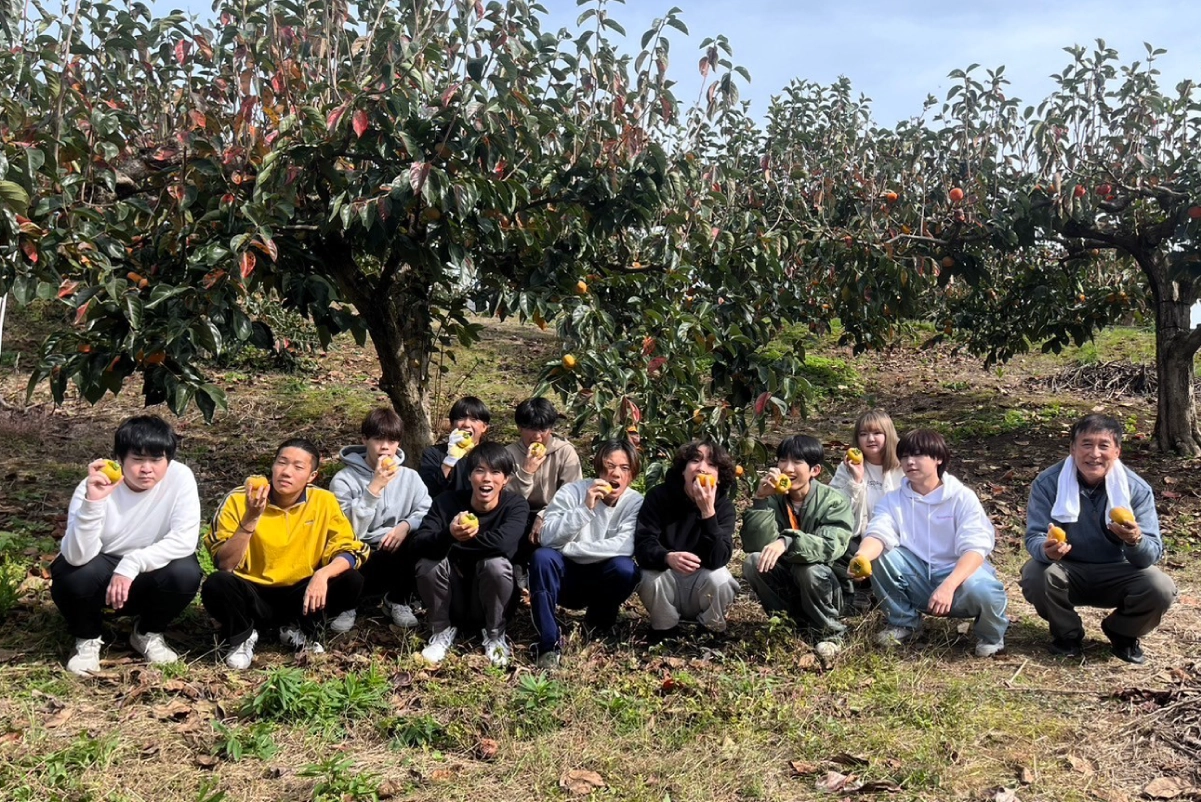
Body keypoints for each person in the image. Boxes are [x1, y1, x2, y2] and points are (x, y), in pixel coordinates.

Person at [1019, 414, 1177, 663]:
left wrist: (1134, 539)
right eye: (1086, 444)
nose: (1094, 454)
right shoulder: (1048, 483)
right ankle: (1067, 634)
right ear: (1072, 449)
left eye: (1103, 445)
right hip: (1068, 569)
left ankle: (1123, 632)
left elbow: (1151, 553)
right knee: (1035, 573)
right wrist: (1046, 550)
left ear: (1117, 451)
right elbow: (1035, 535)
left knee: (1160, 587)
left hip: (1118, 571)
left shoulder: (1136, 489)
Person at [52, 415, 202, 675]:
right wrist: (94, 502)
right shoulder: (94, 486)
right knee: (71, 574)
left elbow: (184, 539)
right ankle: (87, 638)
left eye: (156, 459)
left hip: (148, 571)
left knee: (185, 573)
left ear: (168, 460)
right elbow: (76, 556)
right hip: (103, 569)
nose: (147, 469)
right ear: (119, 459)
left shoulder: (180, 478)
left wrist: (132, 563)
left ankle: (147, 632)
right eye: (137, 459)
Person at [202, 438, 370, 669]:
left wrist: (322, 575)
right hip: (252, 592)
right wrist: (251, 518)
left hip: (301, 593)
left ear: (312, 476)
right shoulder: (240, 499)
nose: (286, 472)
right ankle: (243, 634)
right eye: (282, 463)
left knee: (351, 579)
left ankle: (299, 629)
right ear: (272, 466)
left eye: (298, 467)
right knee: (217, 583)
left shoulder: (323, 501)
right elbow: (225, 563)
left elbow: (350, 548)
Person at [846, 429, 1008, 658]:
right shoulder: (893, 500)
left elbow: (975, 548)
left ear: (938, 458)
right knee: (879, 555)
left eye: (918, 455)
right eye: (904, 456)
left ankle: (991, 636)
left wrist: (948, 586)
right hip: (918, 578)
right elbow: (878, 533)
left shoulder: (962, 497)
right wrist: (861, 557)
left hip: (959, 580)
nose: (910, 462)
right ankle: (904, 623)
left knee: (985, 590)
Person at [409, 443, 530, 667]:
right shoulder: (447, 503)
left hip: (489, 600)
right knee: (428, 564)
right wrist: (449, 534)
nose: (487, 479)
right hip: (451, 598)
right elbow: (419, 543)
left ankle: (495, 635)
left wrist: (454, 541)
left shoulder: (515, 506)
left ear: (506, 479)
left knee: (496, 564)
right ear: (469, 476)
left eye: (495, 472)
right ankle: (441, 631)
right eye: (479, 471)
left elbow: (504, 544)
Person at [529, 440, 644, 669]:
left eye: (624, 468)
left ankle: (597, 626)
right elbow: (547, 538)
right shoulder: (573, 492)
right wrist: (585, 509)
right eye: (610, 465)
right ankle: (548, 644)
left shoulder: (635, 503)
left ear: (632, 475)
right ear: (599, 468)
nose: (616, 474)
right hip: (566, 575)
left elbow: (624, 546)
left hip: (601, 577)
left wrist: (569, 548)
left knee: (626, 569)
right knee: (542, 558)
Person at [741, 435, 855, 658]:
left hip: (829, 588)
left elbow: (830, 546)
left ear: (815, 470)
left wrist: (788, 541)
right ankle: (788, 624)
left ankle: (830, 633)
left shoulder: (833, 501)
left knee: (809, 569)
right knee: (753, 561)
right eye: (783, 460)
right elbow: (755, 545)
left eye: (797, 462)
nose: (787, 468)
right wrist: (761, 500)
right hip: (790, 582)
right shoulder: (774, 499)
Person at [331, 408, 433, 630]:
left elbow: (426, 511)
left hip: (395, 550)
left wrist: (405, 526)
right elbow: (347, 529)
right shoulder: (344, 480)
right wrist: (374, 488)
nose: (385, 447)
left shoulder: (410, 477)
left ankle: (397, 599)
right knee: (341, 551)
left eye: (392, 440)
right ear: (364, 439)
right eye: (378, 439)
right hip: (358, 551)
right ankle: (347, 605)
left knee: (420, 538)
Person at [634, 440, 739, 643]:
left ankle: (710, 631)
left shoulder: (724, 507)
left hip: (702, 584)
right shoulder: (659, 497)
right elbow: (643, 544)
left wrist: (708, 513)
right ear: (683, 470)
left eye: (711, 464)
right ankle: (664, 630)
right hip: (668, 582)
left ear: (718, 478)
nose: (702, 468)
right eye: (695, 460)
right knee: (648, 576)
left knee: (722, 579)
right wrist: (667, 557)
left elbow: (720, 558)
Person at [829, 410, 903, 609]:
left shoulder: (903, 466)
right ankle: (859, 589)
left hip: (896, 536)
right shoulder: (847, 467)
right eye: (864, 434)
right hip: (858, 535)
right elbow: (835, 507)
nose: (870, 439)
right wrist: (856, 480)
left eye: (877, 433)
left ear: (888, 435)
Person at [504, 397, 584, 549]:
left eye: (542, 429)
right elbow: (506, 500)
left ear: (551, 428)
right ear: (519, 428)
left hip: (555, 514)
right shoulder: (508, 455)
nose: (537, 436)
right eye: (530, 428)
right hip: (518, 515)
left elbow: (573, 495)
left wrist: (543, 515)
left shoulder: (565, 452)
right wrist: (526, 472)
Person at [418, 396, 491, 497]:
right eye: (461, 418)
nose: (466, 424)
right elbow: (426, 492)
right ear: (452, 425)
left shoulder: (492, 455)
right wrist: (449, 461)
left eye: (474, 419)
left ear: (484, 427)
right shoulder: (433, 453)